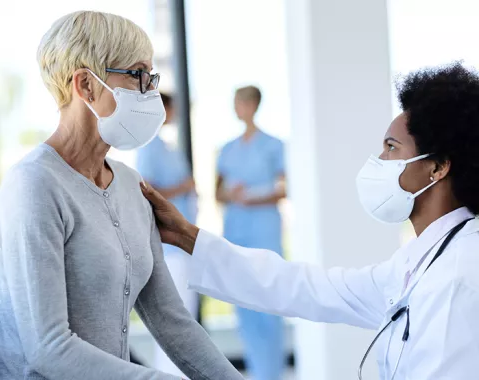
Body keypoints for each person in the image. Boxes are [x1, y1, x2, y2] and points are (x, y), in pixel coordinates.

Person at [141, 63, 479, 380]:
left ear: (437, 166)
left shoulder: (458, 273)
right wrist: (189, 237)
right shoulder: (421, 260)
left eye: (392, 147)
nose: (379, 160)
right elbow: (309, 288)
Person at [0, 11, 243, 380]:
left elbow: (171, 321)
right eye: (138, 75)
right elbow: (48, 348)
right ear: (86, 85)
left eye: (152, 78)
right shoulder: (34, 184)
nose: (151, 93)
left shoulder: (130, 184)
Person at [215, 86, 286, 380]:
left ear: (254, 105)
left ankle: (271, 374)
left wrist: (253, 195)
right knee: (242, 303)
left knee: (268, 301)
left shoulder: (274, 145)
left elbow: (283, 188)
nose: (237, 107)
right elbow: (218, 192)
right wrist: (232, 194)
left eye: (241, 102)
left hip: (264, 230)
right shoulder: (227, 149)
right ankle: (255, 374)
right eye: (235, 103)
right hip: (236, 231)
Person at [136, 93, 199, 377]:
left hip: (184, 246)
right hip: (169, 248)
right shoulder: (148, 148)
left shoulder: (167, 147)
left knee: (186, 319)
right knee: (174, 321)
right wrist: (184, 187)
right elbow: (148, 190)